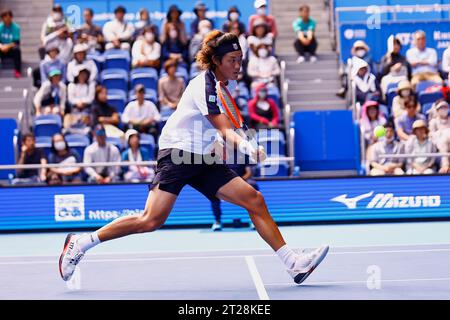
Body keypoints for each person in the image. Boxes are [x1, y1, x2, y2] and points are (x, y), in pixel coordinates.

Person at [59, 30, 329, 286]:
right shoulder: (204, 86)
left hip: (202, 156)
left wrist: (243, 142)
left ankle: (293, 263)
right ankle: (81, 243)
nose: (238, 66)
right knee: (151, 220)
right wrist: (247, 148)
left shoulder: (224, 88)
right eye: (232, 61)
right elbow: (224, 129)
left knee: (254, 200)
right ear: (216, 61)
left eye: (240, 60)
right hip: (177, 153)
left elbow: (226, 128)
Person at [65, 67, 94, 135]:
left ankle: (85, 130)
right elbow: (71, 99)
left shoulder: (90, 85)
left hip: (86, 108)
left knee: (86, 117)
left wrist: (83, 103)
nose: (83, 76)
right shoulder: (71, 85)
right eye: (81, 74)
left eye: (84, 74)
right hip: (74, 107)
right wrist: (78, 103)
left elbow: (90, 98)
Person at [0, 9, 21, 78]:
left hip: (11, 49)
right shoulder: (0, 27)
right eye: (4, 18)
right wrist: (1, 47)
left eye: (8, 18)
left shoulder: (16, 27)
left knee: (17, 50)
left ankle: (17, 71)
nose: (6, 20)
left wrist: (6, 46)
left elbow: (16, 42)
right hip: (1, 48)